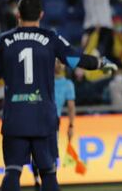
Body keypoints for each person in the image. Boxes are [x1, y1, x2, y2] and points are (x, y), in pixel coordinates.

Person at [0, 0, 117, 191]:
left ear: (18, 14)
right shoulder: (50, 38)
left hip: (15, 117)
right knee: (48, 174)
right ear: (41, 14)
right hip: (44, 116)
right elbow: (75, 59)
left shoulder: (3, 41)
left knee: (12, 172)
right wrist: (101, 63)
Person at [31, 59, 77, 190]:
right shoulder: (43, 79)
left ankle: (49, 183)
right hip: (37, 118)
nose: (59, 64)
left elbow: (71, 107)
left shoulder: (68, 84)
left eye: (61, 62)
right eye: (56, 61)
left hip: (53, 120)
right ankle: (37, 181)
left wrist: (71, 125)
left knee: (51, 152)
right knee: (36, 151)